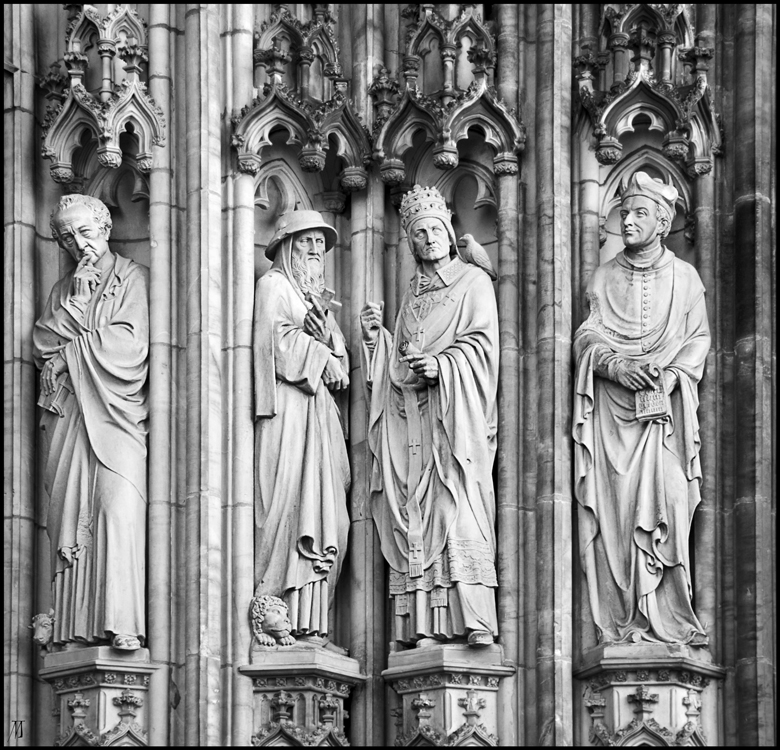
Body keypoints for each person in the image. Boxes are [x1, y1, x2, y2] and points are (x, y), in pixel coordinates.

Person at [573, 171, 710, 646]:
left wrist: (670, 376)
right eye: (623, 213)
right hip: (613, 420)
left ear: (662, 221)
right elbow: (586, 336)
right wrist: (614, 366)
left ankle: (667, 617)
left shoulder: (685, 278)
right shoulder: (604, 276)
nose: (627, 222)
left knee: (673, 497)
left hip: (664, 417)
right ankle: (624, 616)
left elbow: (697, 341)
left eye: (639, 214)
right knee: (618, 515)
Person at [360, 184, 500, 648]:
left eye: (436, 230)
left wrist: (443, 365)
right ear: (412, 243)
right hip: (416, 428)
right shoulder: (411, 302)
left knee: (456, 511)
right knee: (417, 516)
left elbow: (483, 349)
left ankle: (472, 620)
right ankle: (423, 628)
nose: (429, 239)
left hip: (455, 427)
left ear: (448, 230)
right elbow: (397, 368)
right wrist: (375, 343)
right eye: (418, 234)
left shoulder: (474, 283)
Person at [33, 194, 149, 651]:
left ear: (104, 228)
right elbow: (42, 341)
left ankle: (123, 619)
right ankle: (71, 630)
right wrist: (77, 305)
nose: (77, 243)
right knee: (69, 517)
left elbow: (130, 343)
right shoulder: (63, 291)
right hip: (71, 420)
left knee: (117, 510)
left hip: (117, 414)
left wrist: (71, 353)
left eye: (84, 232)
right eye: (66, 237)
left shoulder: (132, 278)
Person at [252, 209, 350, 643]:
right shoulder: (273, 286)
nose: (315, 252)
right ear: (286, 247)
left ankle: (314, 620)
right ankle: (282, 610)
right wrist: (320, 354)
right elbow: (272, 342)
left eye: (320, 245)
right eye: (306, 242)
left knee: (332, 518)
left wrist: (329, 340)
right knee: (295, 506)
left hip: (321, 418)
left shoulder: (317, 306)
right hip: (289, 416)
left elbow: (343, 370)